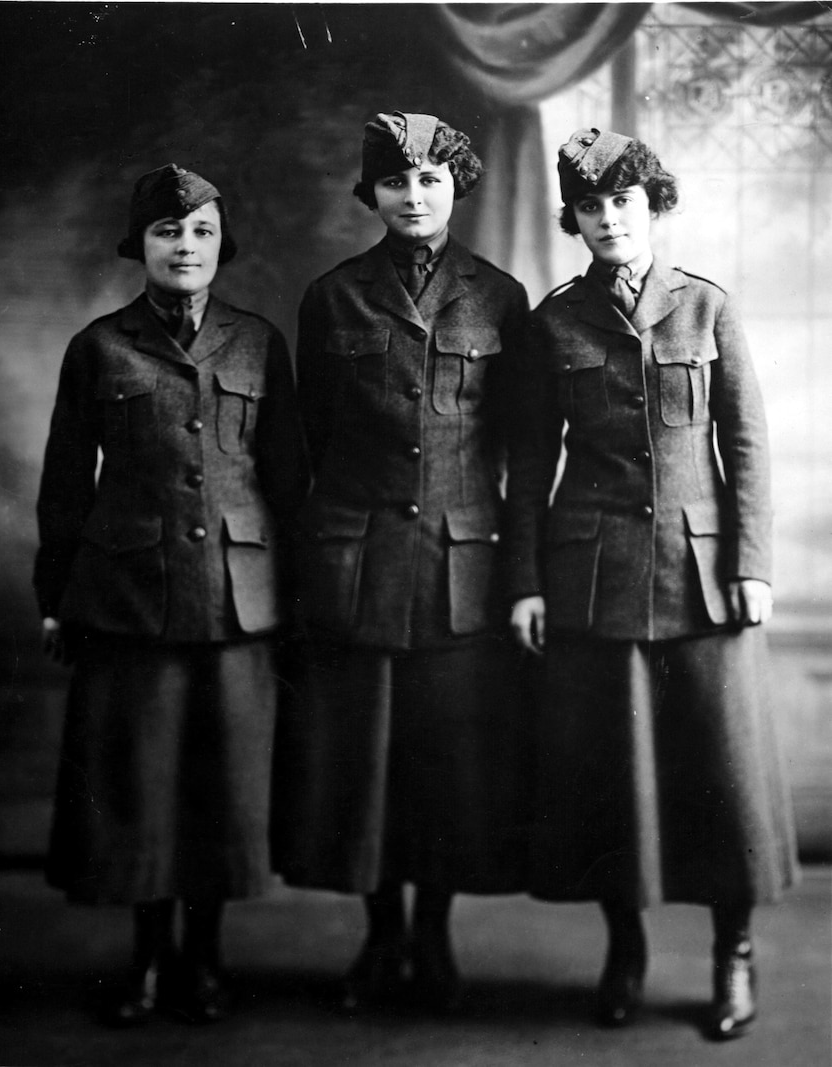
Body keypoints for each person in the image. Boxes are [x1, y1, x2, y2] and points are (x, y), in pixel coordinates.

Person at [505, 129, 798, 1040]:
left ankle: (731, 955)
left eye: (623, 203)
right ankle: (623, 949)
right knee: (609, 779)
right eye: (590, 208)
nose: (608, 220)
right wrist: (524, 582)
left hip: (701, 575)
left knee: (723, 775)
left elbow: (744, 445)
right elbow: (527, 461)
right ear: (575, 221)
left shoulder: (705, 307)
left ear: (653, 207)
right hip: (594, 577)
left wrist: (749, 561)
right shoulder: (553, 321)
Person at [34, 164, 309, 1026]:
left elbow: (288, 479)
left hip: (239, 601)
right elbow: (65, 484)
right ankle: (148, 957)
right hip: (129, 600)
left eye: (200, 233)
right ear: (139, 245)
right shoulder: (99, 346)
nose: (184, 247)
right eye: (166, 232)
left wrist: (294, 599)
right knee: (141, 783)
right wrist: (56, 595)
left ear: (221, 246)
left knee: (223, 787)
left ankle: (207, 955)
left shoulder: (260, 342)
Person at [271, 112, 531, 1012]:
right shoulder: (332, 296)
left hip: (462, 562)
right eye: (394, 181)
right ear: (371, 194)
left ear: (455, 185)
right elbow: (307, 441)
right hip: (359, 557)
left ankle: (434, 933)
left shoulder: (500, 296)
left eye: (429, 179)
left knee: (447, 764)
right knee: (366, 762)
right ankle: (381, 934)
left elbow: (518, 447)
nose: (413, 196)